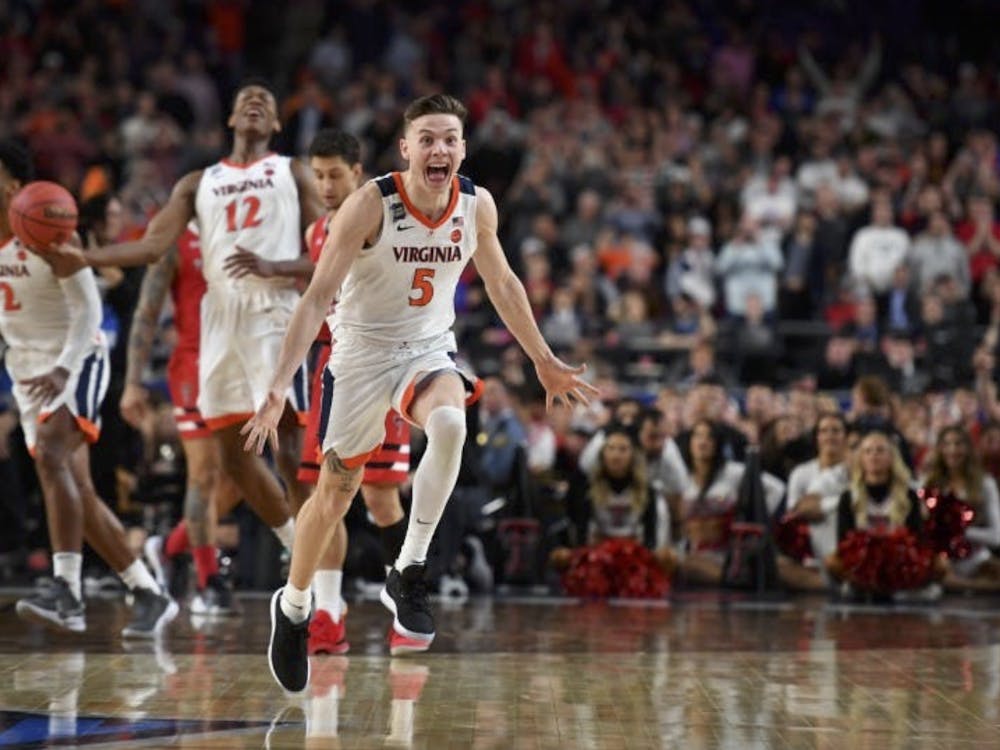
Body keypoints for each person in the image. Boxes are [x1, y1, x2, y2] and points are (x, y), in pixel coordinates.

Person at [242, 94, 597, 693]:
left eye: (450, 139)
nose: (440, 149)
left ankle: (408, 567)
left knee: (453, 425)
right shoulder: (367, 204)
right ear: (405, 148)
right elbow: (314, 298)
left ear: (462, 148)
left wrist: (544, 360)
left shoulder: (475, 204)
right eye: (427, 138)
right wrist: (278, 388)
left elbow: (504, 282)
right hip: (358, 355)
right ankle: (295, 605)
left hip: (426, 353)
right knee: (333, 495)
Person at [53, 82, 322, 564]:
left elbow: (329, 250)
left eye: (266, 100)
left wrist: (277, 267)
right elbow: (152, 247)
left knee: (287, 446)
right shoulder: (199, 183)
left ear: (278, 123)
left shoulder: (292, 172)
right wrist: (84, 257)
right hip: (217, 320)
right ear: (231, 121)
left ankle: (317, 579)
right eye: (245, 100)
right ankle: (293, 546)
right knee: (234, 459)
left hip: (273, 309)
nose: (255, 102)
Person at [0, 139, 176, 636]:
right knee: (76, 490)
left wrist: (63, 368)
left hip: (78, 358)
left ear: (14, 186)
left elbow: (90, 311)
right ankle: (147, 590)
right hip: (28, 368)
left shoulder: (48, 232)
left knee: (53, 458)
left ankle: (67, 592)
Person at [296, 129, 410, 655]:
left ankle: (403, 597)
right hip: (330, 369)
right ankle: (327, 612)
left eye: (334, 174)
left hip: (382, 363)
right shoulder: (317, 230)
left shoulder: (384, 219)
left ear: (357, 173)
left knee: (381, 495)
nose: (325, 184)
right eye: (317, 175)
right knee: (327, 496)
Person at [120, 223, 270, 615]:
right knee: (202, 474)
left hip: (242, 367)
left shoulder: (250, 231)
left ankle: (167, 548)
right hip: (193, 367)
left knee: (243, 477)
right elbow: (147, 312)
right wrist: (133, 381)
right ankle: (207, 581)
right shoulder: (177, 242)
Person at [920, 426, 1000, 591]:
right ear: (939, 449)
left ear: (968, 449)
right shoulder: (928, 483)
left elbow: (996, 536)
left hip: (976, 561)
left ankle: (969, 585)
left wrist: (958, 531)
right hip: (938, 563)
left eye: (958, 444)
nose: (953, 450)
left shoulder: (985, 484)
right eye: (947, 444)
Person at [778, 412, 850, 592]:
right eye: (824, 431)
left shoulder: (856, 471)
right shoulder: (801, 473)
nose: (830, 436)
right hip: (811, 553)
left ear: (846, 437)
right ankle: (831, 585)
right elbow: (796, 513)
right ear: (816, 437)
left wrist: (820, 506)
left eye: (836, 431)